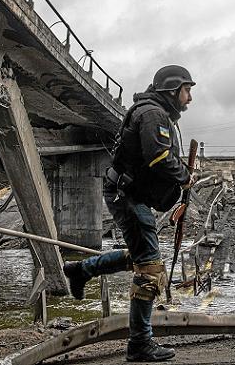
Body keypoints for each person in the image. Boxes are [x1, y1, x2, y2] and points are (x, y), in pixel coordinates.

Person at [64, 65, 195, 362]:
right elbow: (159, 158)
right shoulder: (152, 115)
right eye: (187, 91)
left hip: (129, 194)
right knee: (150, 269)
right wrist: (185, 177)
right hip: (127, 196)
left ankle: (80, 270)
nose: (189, 98)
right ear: (172, 90)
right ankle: (139, 344)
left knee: (139, 256)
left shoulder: (155, 113)